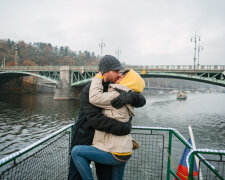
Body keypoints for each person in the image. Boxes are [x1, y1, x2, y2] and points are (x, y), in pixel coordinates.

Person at [67, 55, 146, 180]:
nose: (118, 74)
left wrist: (132, 97)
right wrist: (123, 128)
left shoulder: (114, 88)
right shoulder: (89, 90)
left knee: (105, 175)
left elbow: (140, 99)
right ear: (105, 71)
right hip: (84, 135)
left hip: (104, 141)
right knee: (76, 175)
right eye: (115, 71)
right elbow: (96, 120)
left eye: (119, 72)